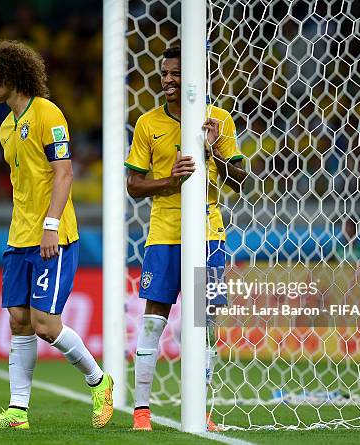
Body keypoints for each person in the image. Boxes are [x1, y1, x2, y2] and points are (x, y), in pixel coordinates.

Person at [0, 40, 113, 430]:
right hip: (18, 237)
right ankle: (18, 412)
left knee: (45, 326)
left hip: (53, 235)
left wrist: (51, 224)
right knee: (18, 320)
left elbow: (64, 172)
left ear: (11, 77)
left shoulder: (47, 113)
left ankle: (99, 381)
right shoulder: (5, 127)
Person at [125, 46, 245, 431]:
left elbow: (240, 183)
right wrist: (169, 181)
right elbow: (134, 185)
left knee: (203, 322)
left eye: (175, 73)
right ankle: (141, 409)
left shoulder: (219, 120)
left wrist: (212, 152)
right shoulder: (148, 124)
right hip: (164, 234)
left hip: (209, 233)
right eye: (164, 73)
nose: (168, 80)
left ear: (196, 78)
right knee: (153, 321)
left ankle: (200, 408)